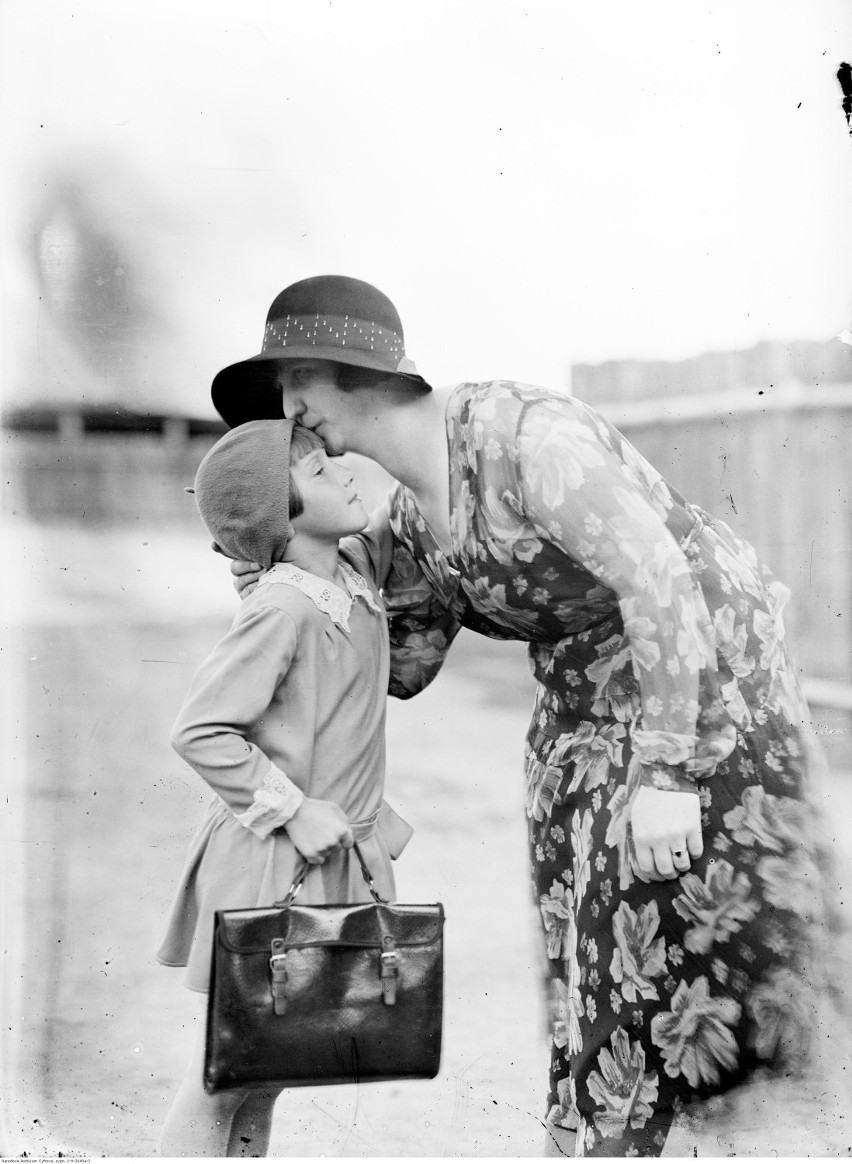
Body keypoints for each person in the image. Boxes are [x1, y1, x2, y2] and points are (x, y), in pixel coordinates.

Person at [212, 276, 832, 1157]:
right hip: (579, 701)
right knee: (579, 932)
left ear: (340, 369)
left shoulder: (522, 438)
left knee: (651, 932)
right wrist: (300, 581)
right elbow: (407, 665)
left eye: (291, 384)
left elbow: (659, 580)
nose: (288, 412)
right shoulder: (406, 519)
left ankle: (637, 1139)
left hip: (698, 677)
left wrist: (666, 774)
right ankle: (590, 1133)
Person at [156, 417, 413, 1157]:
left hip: (328, 862)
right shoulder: (282, 607)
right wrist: (293, 808)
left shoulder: (351, 582)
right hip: (270, 862)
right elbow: (200, 730)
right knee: (227, 1073)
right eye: (318, 472)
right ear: (281, 515)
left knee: (270, 1070)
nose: (343, 470)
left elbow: (405, 504)